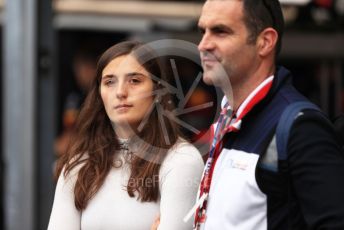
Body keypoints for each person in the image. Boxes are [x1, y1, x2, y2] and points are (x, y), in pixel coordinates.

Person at [193, 0, 344, 229]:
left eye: (220, 31)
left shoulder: (300, 127)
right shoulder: (227, 117)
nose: (203, 45)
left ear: (265, 42)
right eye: (202, 31)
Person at [48, 41, 204, 230]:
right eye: (109, 82)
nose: (121, 92)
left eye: (135, 80)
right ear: (99, 93)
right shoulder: (79, 164)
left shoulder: (181, 160)